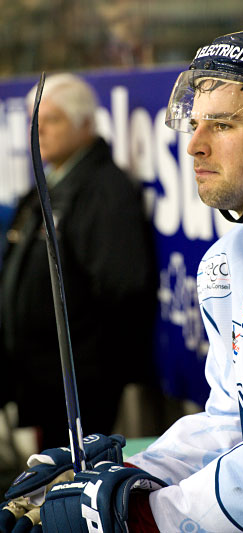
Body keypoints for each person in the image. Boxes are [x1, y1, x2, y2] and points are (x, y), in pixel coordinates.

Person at [1, 28, 243, 533]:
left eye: (223, 125)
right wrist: (122, 476)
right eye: (194, 123)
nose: (193, 145)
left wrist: (136, 515)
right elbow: (230, 426)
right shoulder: (227, 259)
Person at [0, 73, 158, 450]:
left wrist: (81, 367)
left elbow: (123, 288)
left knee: (70, 483)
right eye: (33, 122)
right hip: (43, 377)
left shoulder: (105, 192)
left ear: (85, 123)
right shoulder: (52, 183)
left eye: (51, 120)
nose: (38, 132)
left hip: (79, 382)